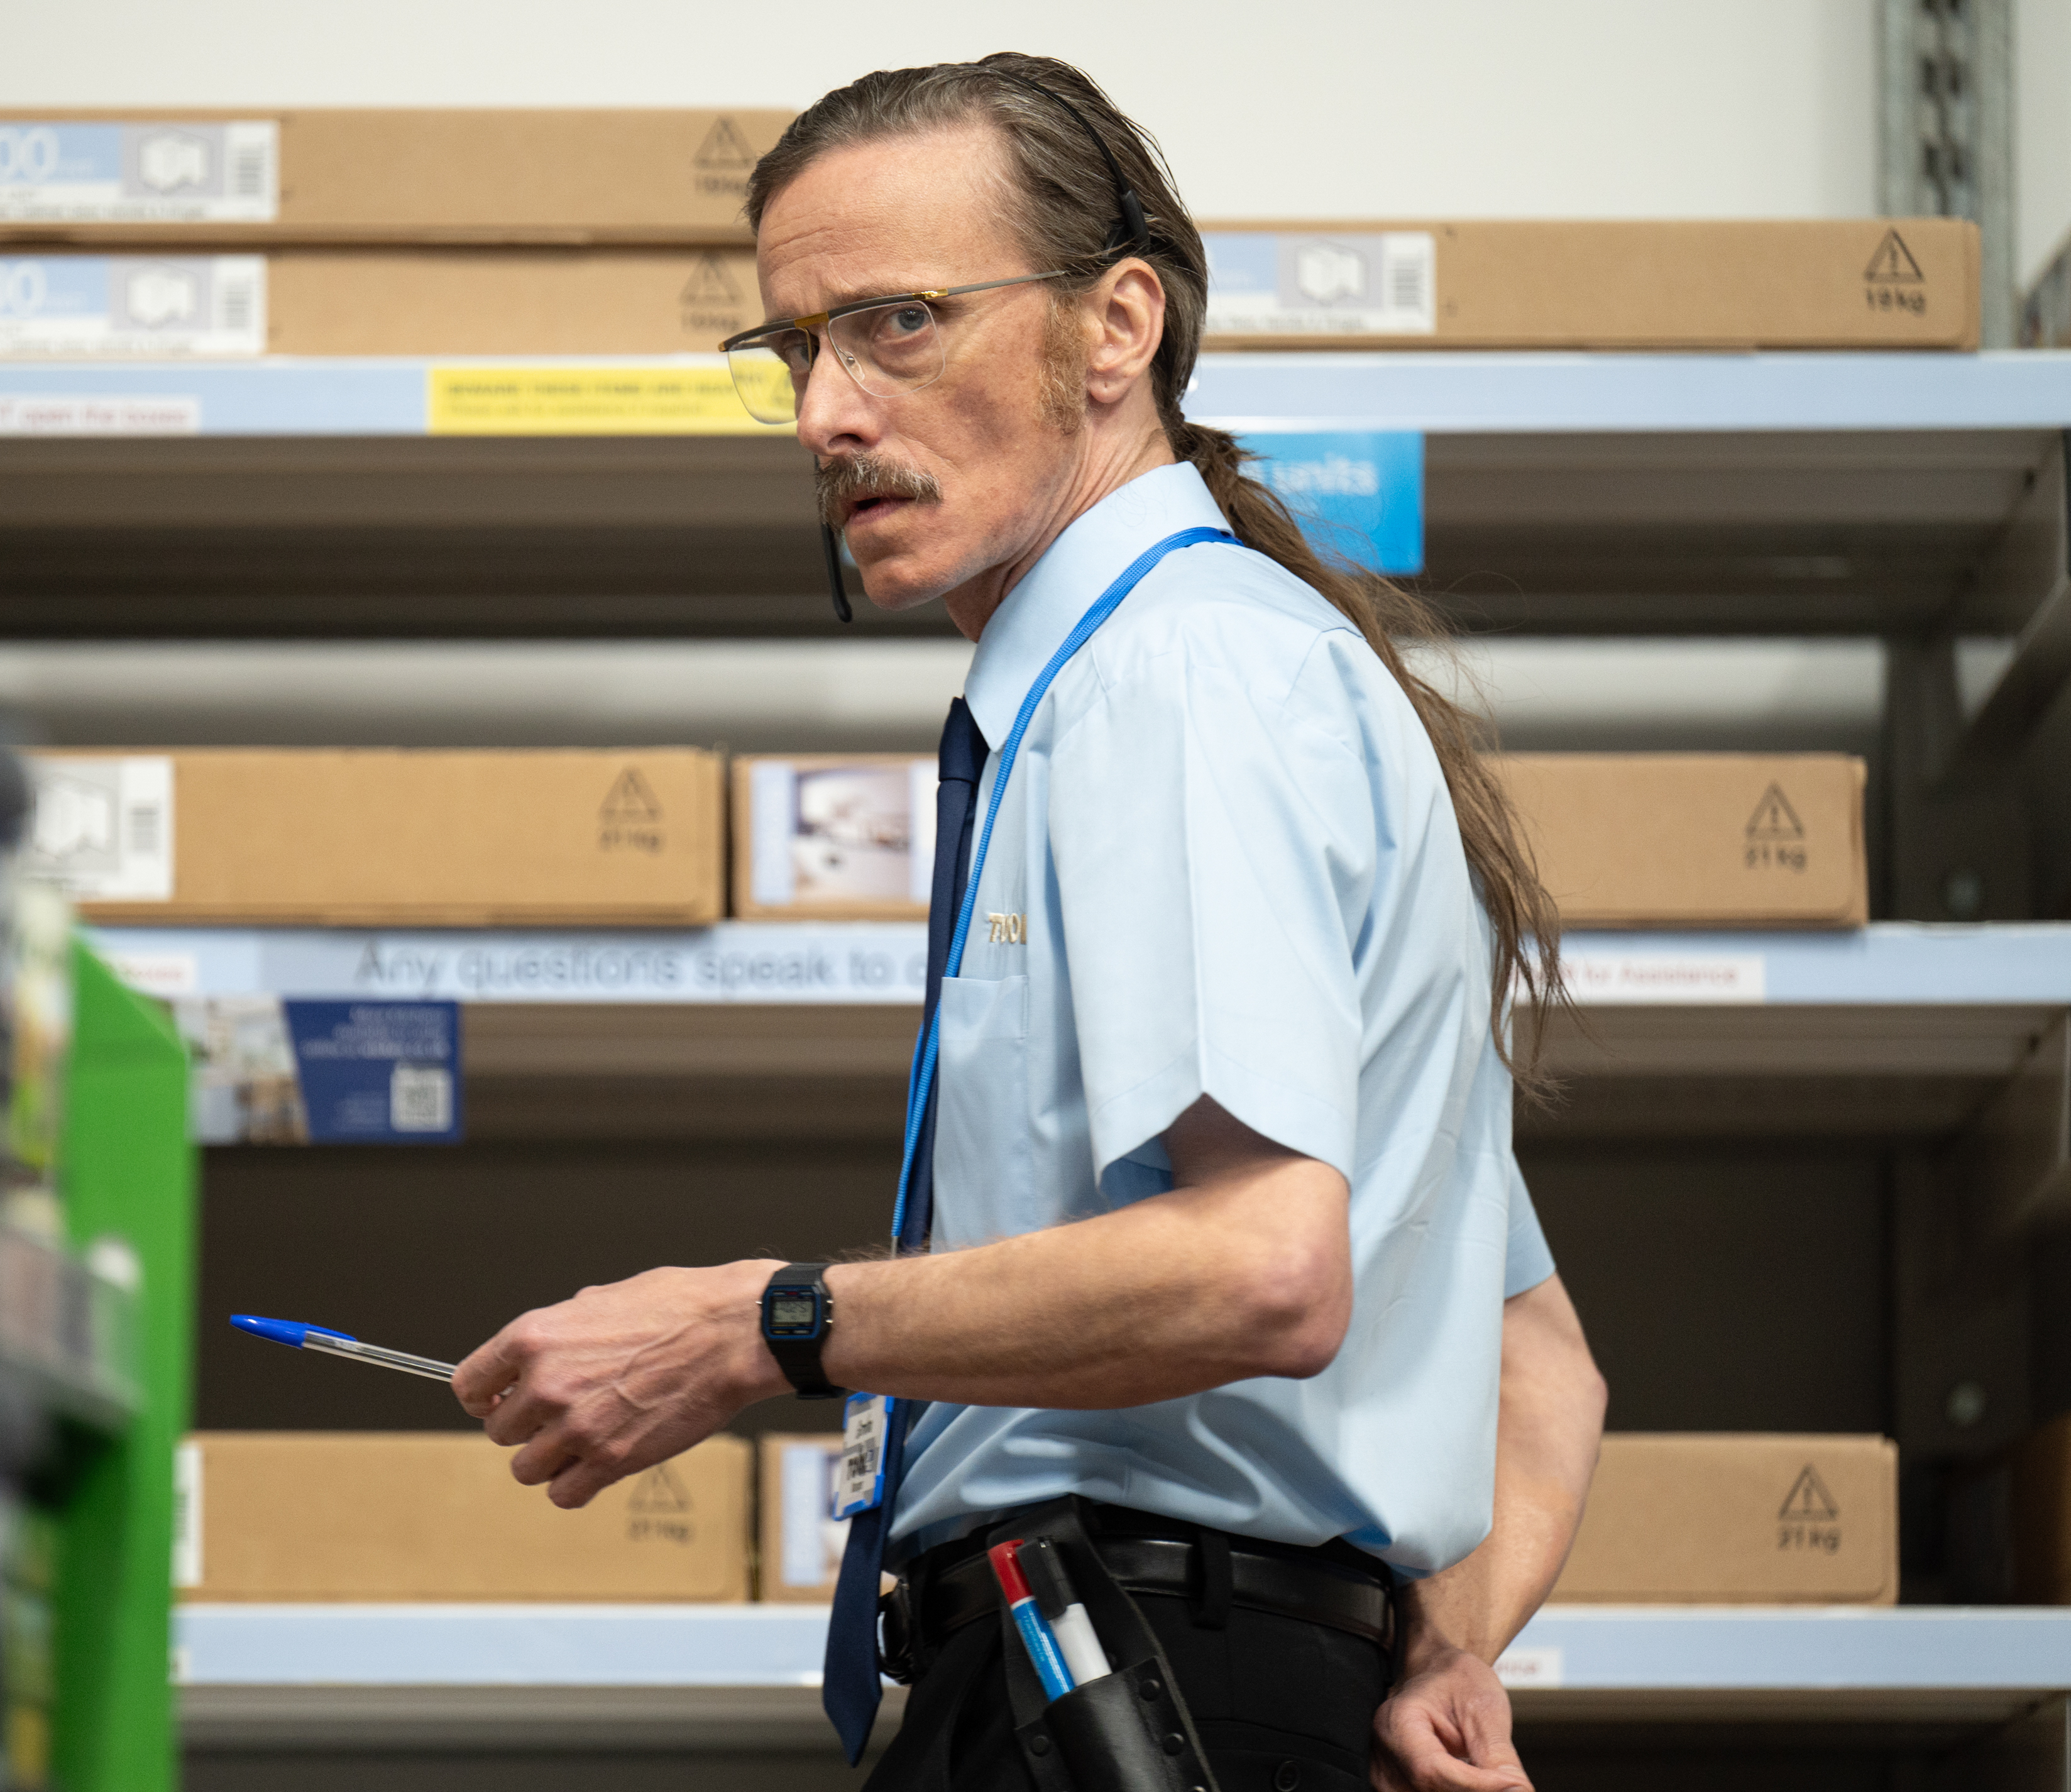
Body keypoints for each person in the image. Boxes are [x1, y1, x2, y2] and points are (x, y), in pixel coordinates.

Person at [454, 53, 1606, 1792]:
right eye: (797, 349)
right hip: (1189, 1676)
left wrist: (756, 1325)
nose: (827, 417)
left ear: (1115, 326)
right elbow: (1542, 1364)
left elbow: (1263, 1263)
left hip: (1133, 1678)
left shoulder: (1175, 675)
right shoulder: (1191, 670)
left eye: (898, 324)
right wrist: (1437, 1648)